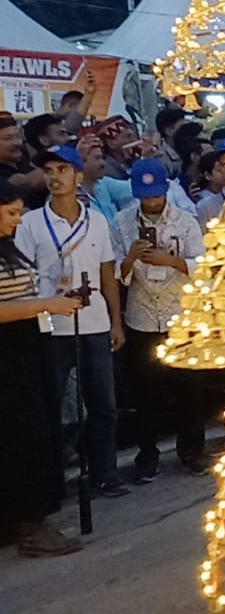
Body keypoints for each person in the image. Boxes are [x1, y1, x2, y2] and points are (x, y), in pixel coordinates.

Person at [15, 144, 129, 498]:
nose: (54, 178)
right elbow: (22, 274)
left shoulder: (95, 218)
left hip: (93, 321)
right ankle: (52, 481)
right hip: (49, 325)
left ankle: (104, 472)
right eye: (49, 171)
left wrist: (115, 321)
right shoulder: (31, 222)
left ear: (78, 175)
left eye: (62, 170)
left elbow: (106, 271)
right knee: (50, 406)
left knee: (103, 404)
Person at [0, 179, 84, 557]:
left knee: (36, 433)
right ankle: (30, 525)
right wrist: (45, 305)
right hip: (7, 358)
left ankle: (23, 518)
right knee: (20, 440)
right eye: (11, 213)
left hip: (28, 349)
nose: (18, 221)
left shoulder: (9, 249)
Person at [112, 158, 208, 483]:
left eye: (155, 195)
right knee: (145, 392)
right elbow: (114, 274)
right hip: (141, 316)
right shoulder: (122, 222)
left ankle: (192, 450)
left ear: (166, 190)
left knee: (190, 388)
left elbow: (204, 265)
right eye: (145, 196)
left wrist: (172, 261)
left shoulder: (186, 221)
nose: (150, 203)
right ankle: (147, 454)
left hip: (181, 314)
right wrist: (130, 259)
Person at [0, 116, 48, 209]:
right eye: (8, 138)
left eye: (18, 137)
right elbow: (27, 181)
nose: (17, 142)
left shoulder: (27, 164)